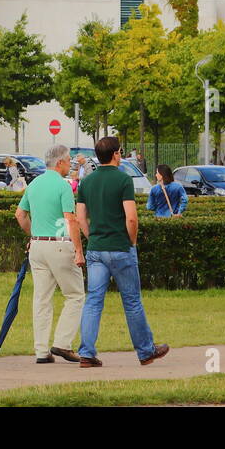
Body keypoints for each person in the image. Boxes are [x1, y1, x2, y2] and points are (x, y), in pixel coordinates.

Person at [75, 136, 168, 368]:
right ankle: (146, 351)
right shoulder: (124, 180)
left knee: (93, 301)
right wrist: (132, 242)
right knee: (132, 301)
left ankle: (86, 353)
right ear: (116, 154)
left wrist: (92, 237)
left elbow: (80, 218)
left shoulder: (87, 182)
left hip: (96, 249)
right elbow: (132, 218)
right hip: (120, 247)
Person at [16, 144, 85, 363]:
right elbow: (70, 219)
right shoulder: (63, 187)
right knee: (75, 296)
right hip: (59, 243)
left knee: (42, 299)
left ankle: (41, 351)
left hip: (37, 246)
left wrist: (33, 234)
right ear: (59, 163)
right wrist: (79, 250)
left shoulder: (34, 184)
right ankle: (63, 343)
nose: (70, 164)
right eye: (68, 160)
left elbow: (20, 214)